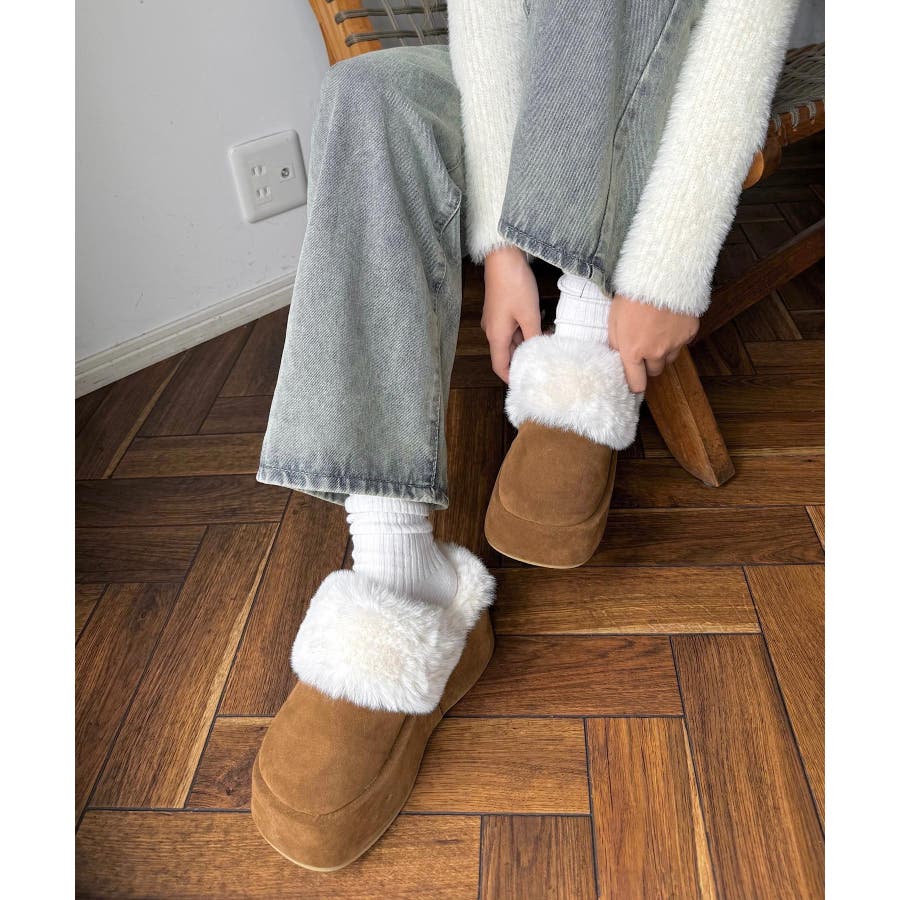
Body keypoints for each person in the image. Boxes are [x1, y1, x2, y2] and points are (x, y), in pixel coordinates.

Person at [250, 0, 800, 871]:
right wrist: (503, 249)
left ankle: (583, 340)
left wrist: (665, 271)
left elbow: (739, 42)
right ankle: (398, 570)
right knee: (369, 95)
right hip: (523, 93)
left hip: (667, 80)